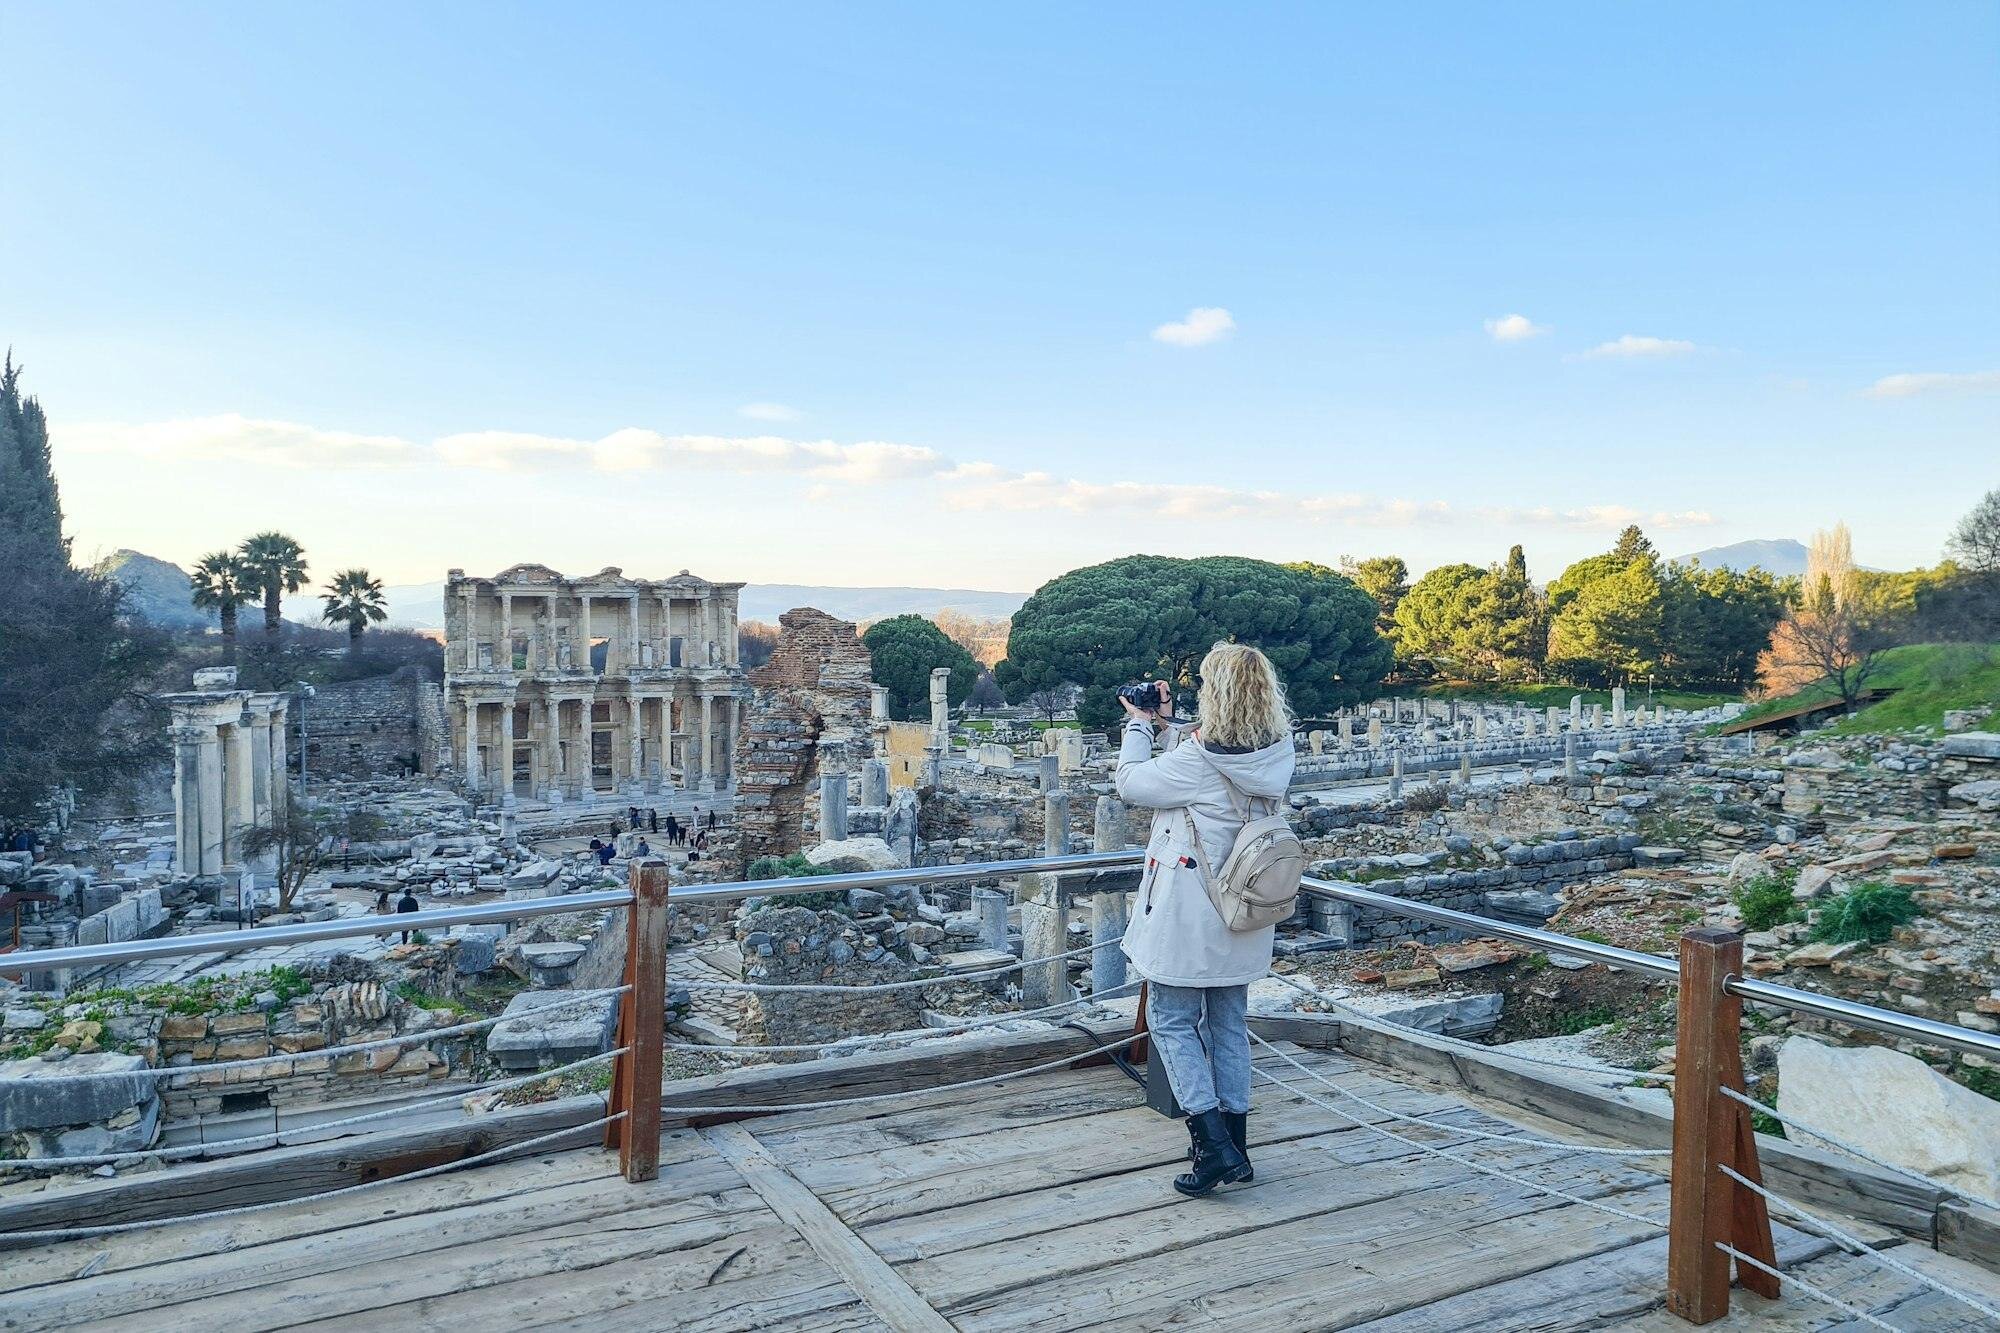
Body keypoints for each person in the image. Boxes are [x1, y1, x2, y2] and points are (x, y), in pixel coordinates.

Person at [1114, 642, 1295, 1199]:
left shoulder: (1198, 759)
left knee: (1171, 1020)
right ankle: (1237, 1147)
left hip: (1191, 913)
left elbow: (1132, 783)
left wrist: (1139, 724)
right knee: (1227, 1024)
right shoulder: (1278, 750)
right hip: (1244, 911)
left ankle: (1211, 1146)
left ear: (1216, 694)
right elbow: (1201, 771)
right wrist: (1170, 726)